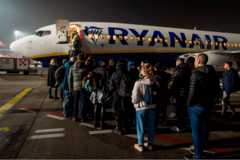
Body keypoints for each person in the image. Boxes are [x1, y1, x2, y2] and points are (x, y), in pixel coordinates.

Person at [187, 53, 220, 159]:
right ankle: (202, 148)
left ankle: (198, 155)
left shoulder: (195, 73)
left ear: (199, 61)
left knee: (196, 132)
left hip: (196, 106)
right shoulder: (212, 72)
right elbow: (217, 89)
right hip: (208, 105)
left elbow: (192, 91)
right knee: (205, 129)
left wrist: (188, 104)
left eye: (196, 60)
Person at [131, 62, 158, 152]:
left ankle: (140, 144)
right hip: (152, 106)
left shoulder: (138, 83)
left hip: (141, 107)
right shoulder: (155, 82)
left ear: (143, 71)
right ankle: (150, 144)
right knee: (151, 126)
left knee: (140, 126)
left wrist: (135, 104)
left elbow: (135, 97)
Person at [110, 61, 132, 135]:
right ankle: (126, 127)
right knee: (125, 112)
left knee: (117, 112)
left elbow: (111, 87)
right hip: (125, 96)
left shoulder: (114, 74)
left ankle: (118, 128)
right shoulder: (128, 74)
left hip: (116, 96)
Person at [170, 58, 191, 132]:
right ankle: (185, 125)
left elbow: (174, 83)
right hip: (187, 93)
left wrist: (172, 92)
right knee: (184, 111)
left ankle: (180, 126)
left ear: (178, 62)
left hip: (179, 93)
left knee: (179, 111)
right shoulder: (189, 70)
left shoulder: (179, 71)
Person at [69, 55, 87, 122]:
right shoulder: (83, 67)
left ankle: (74, 117)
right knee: (82, 102)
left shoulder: (72, 67)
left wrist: (70, 88)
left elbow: (70, 78)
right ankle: (82, 117)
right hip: (82, 86)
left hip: (75, 87)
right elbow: (85, 75)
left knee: (75, 102)